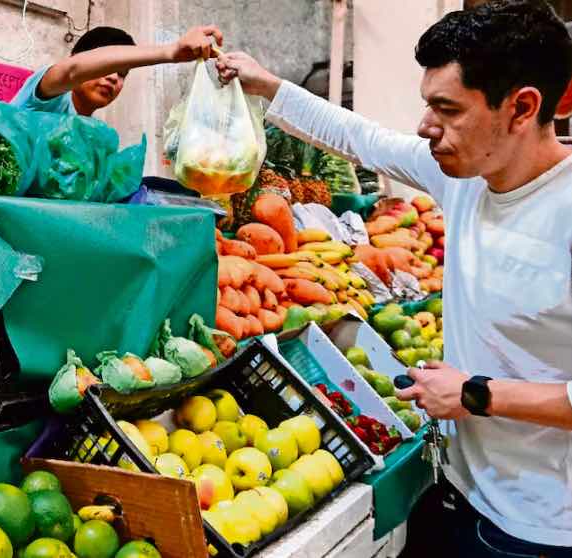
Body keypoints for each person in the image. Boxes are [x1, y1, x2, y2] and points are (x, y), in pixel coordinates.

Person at [217, 1, 572, 556]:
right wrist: (265, 84)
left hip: (538, 527)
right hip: (456, 488)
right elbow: (361, 136)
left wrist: (477, 394)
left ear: (522, 107)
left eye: (447, 109)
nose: (426, 126)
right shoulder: (468, 176)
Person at [11, 25, 223, 117]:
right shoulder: (46, 94)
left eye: (122, 73)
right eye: (108, 68)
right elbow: (71, 71)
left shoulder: (94, 136)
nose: (113, 77)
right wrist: (171, 51)